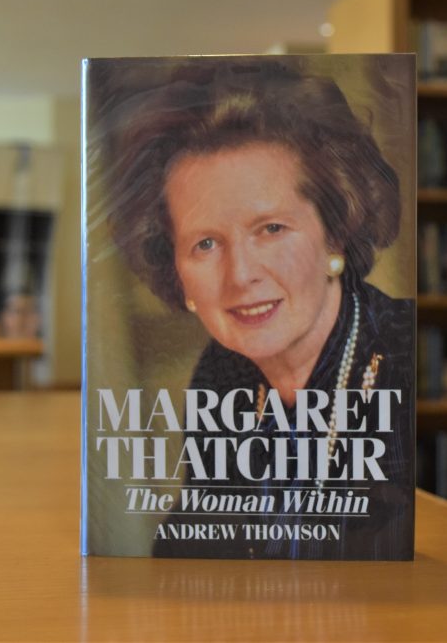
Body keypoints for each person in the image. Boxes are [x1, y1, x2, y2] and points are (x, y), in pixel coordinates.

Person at [100, 59, 414, 559]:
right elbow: (193, 544)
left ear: (335, 231)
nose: (240, 274)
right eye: (205, 243)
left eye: (271, 229)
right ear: (176, 268)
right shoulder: (223, 374)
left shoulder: (403, 359)